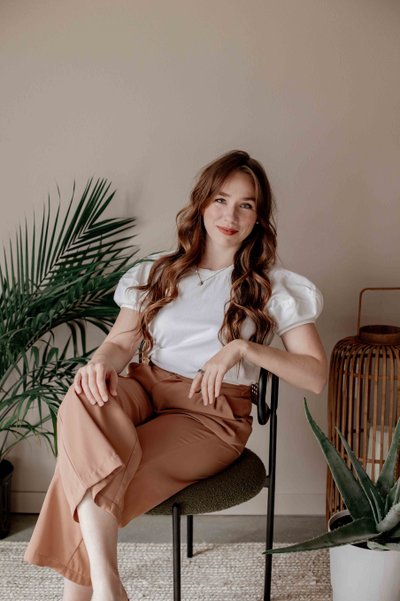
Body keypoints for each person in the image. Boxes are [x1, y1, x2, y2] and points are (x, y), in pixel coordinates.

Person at [24, 149, 328, 601]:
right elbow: (120, 343)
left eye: (245, 205)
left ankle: (94, 593)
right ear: (202, 202)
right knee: (83, 394)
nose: (230, 216)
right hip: (147, 389)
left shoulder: (272, 286)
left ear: (258, 217)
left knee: (90, 471)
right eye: (221, 200)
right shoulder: (158, 271)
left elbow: (315, 375)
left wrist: (242, 348)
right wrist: (100, 363)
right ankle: (109, 586)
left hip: (210, 415)